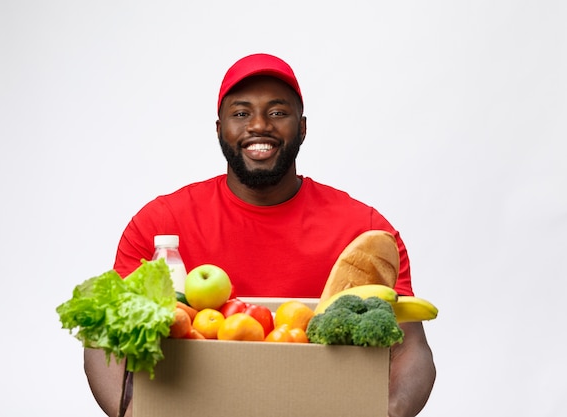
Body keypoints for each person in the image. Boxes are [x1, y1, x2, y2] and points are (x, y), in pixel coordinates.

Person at [84, 53, 436, 417]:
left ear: (302, 127)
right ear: (219, 128)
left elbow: (411, 349)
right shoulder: (160, 224)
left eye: (277, 112)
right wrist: (129, 414)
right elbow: (103, 338)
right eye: (240, 113)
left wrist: (389, 413)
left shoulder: (365, 231)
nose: (258, 125)